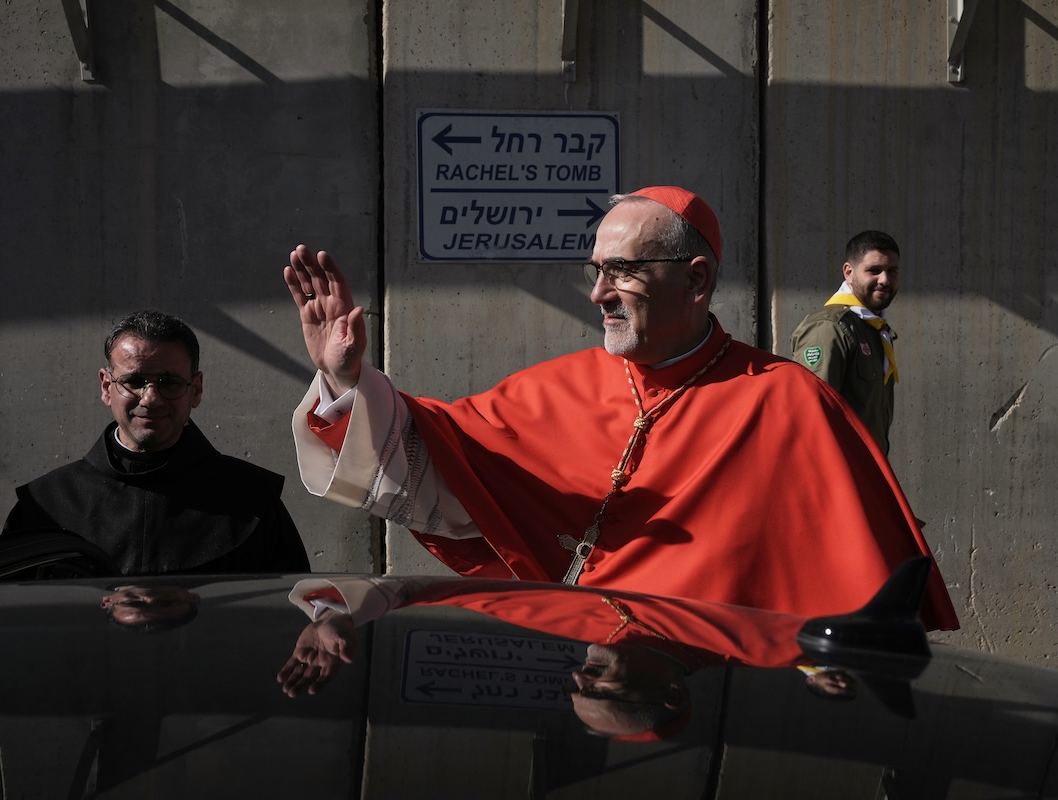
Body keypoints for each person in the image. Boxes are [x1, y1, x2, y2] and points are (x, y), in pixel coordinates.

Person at [283, 186, 957, 630]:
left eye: (623, 272)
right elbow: (439, 468)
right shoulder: (555, 386)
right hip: (570, 669)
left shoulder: (785, 400)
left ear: (695, 280)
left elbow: (854, 582)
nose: (598, 293)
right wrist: (345, 381)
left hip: (720, 690)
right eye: (595, 270)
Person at [276, 574, 813, 740]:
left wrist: (335, 613)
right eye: (598, 688)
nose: (579, 672)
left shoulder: (567, 615)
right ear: (671, 692)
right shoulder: (757, 634)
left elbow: (427, 590)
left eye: (577, 689)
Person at [3, 309, 309, 576]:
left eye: (170, 383)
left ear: (196, 389)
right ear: (107, 387)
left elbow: (291, 625)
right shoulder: (44, 506)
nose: (150, 399)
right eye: (134, 381)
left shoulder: (252, 500)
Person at [790, 231, 901, 454]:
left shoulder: (873, 328)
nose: (885, 280)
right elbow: (809, 419)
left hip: (868, 472)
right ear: (849, 272)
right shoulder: (828, 328)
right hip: (840, 478)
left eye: (892, 271)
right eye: (874, 271)